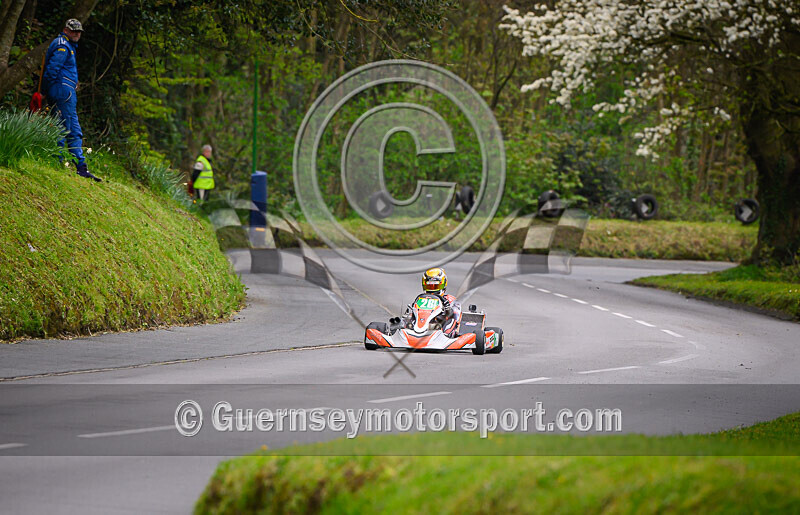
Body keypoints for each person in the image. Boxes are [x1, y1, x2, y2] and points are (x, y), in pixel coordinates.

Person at [43, 19, 101, 182]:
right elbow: (51, 70)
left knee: (74, 129)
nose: (77, 34)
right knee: (62, 127)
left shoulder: (68, 46)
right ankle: (57, 162)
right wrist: (47, 91)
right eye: (73, 31)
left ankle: (81, 167)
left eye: (79, 31)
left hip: (66, 92)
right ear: (65, 30)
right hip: (63, 91)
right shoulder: (62, 45)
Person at [420, 267, 462, 336]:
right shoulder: (421, 299)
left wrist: (447, 310)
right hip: (423, 324)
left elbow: (456, 317)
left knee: (453, 314)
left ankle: (447, 334)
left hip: (440, 326)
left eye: (435, 286)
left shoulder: (449, 300)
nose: (432, 289)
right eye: (429, 286)